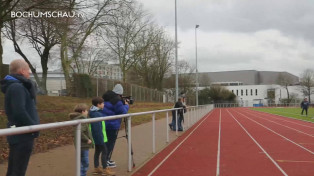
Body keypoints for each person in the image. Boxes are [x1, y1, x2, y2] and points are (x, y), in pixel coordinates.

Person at [0, 59, 40, 176]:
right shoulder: (17, 87)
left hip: (20, 132)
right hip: (23, 133)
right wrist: (33, 127)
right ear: (22, 71)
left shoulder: (16, 86)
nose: (29, 73)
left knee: (14, 168)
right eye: (28, 70)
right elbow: (19, 111)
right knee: (18, 170)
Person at [102, 84, 129, 168]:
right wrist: (126, 105)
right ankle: (106, 161)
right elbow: (123, 112)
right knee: (110, 143)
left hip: (104, 124)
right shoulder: (116, 100)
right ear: (120, 93)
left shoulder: (106, 98)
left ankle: (106, 160)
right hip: (112, 125)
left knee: (106, 143)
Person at [89, 97, 115, 176]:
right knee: (104, 151)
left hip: (98, 137)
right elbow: (97, 129)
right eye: (102, 103)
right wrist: (101, 139)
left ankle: (96, 168)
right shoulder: (97, 114)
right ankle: (105, 169)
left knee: (97, 152)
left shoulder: (95, 112)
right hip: (99, 137)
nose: (104, 105)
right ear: (98, 104)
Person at [69, 104, 93, 176]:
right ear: (83, 111)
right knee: (85, 162)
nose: (87, 112)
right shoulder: (81, 120)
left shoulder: (79, 119)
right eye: (86, 111)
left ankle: (82, 173)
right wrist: (87, 140)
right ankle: (82, 174)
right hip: (83, 145)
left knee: (82, 161)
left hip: (81, 144)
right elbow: (80, 132)